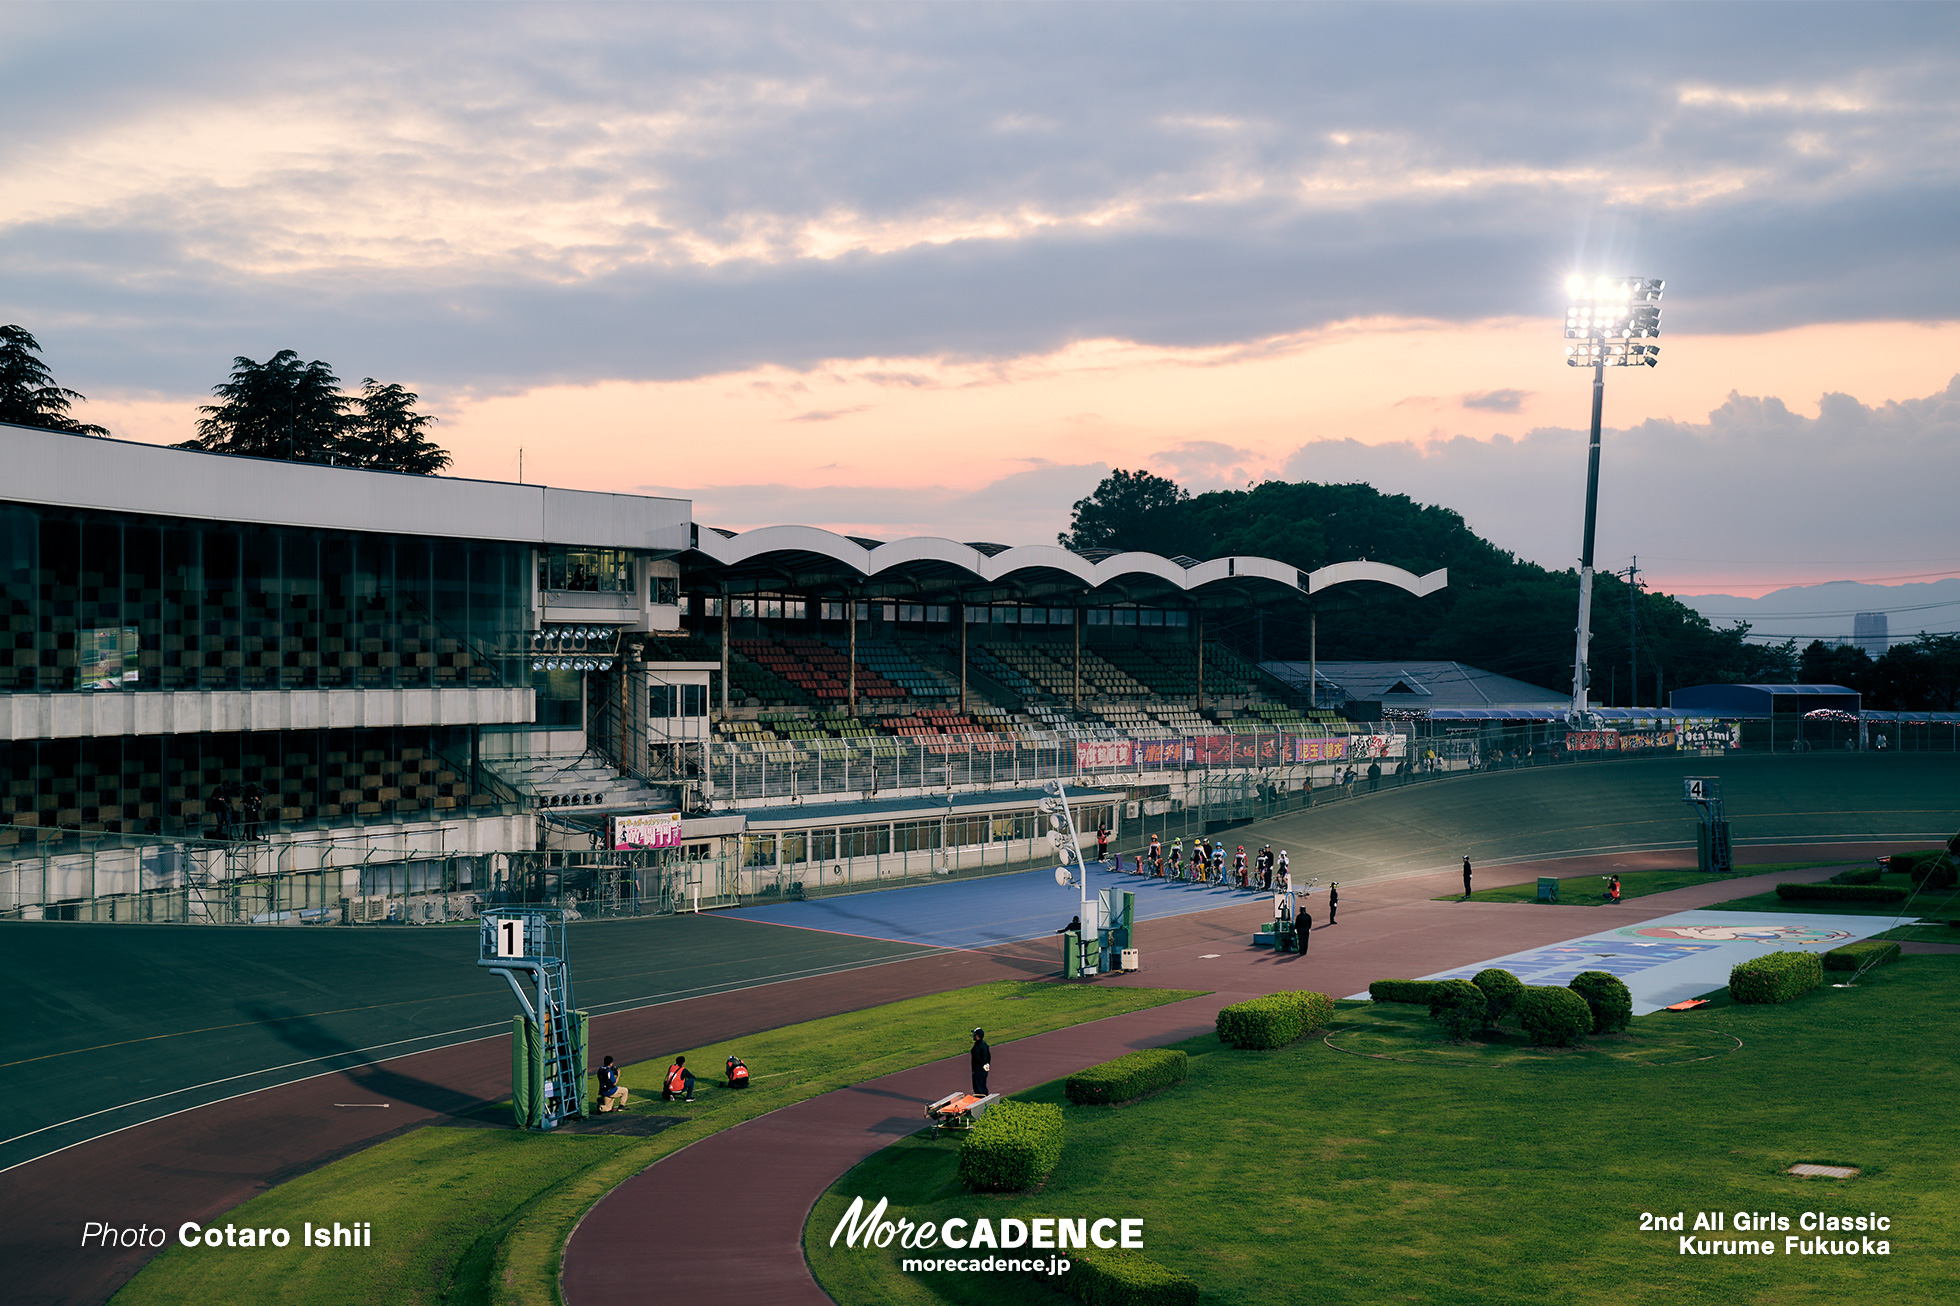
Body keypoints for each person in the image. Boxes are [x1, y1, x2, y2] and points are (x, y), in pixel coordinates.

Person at [970, 1027, 991, 1096]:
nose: (973, 1036)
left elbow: (977, 1057)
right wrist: (987, 1064)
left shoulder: (977, 1046)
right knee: (983, 1087)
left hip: (978, 1070)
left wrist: (982, 1064)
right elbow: (989, 1056)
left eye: (974, 1034)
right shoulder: (984, 1044)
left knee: (978, 1090)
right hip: (984, 1069)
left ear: (977, 1036)